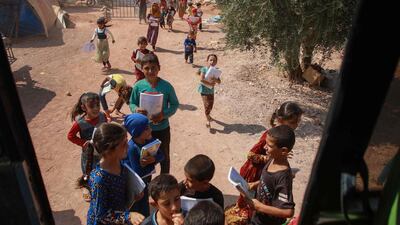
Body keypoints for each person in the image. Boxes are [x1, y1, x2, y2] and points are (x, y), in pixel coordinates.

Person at [225, 101, 303, 225]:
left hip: (266, 183)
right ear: (281, 120)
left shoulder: (283, 144)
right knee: (247, 204)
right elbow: (251, 155)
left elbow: (287, 210)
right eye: (293, 122)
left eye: (298, 122)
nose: (296, 125)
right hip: (255, 172)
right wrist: (268, 159)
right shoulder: (270, 136)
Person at [129, 54, 179, 174]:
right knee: (145, 157)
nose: (151, 71)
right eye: (147, 68)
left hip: (162, 129)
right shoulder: (138, 86)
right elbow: (132, 103)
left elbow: (174, 104)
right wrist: (136, 110)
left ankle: (165, 181)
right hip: (144, 131)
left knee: (164, 156)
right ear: (141, 69)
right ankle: (147, 181)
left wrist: (163, 114)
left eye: (154, 68)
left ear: (159, 68)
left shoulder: (166, 86)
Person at [86, 123, 145, 225]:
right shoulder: (99, 180)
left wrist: (133, 195)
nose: (128, 146)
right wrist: (128, 216)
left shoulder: (119, 162)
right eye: (124, 144)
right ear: (109, 150)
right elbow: (101, 216)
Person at [248, 125, 296, 225]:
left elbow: (288, 211)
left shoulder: (283, 177)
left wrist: (259, 207)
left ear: (283, 151)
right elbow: (268, 181)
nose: (265, 147)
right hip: (257, 218)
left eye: (269, 145)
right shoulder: (272, 159)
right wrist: (255, 184)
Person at [67, 92, 108, 202]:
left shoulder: (102, 116)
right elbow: (70, 136)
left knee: (103, 168)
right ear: (83, 107)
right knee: (88, 171)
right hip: (89, 154)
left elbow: (107, 127)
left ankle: (101, 185)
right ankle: (85, 187)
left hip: (102, 151)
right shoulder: (79, 123)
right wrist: (83, 142)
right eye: (91, 106)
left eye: (98, 105)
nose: (96, 108)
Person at [123, 113, 165, 217]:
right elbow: (137, 172)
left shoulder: (149, 140)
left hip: (145, 181)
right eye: (146, 129)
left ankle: (145, 217)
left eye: (149, 126)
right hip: (135, 184)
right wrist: (148, 165)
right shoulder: (132, 148)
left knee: (144, 203)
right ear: (136, 132)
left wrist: (153, 159)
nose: (150, 130)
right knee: (136, 205)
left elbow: (162, 155)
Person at [198, 54, 221, 128]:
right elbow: (201, 79)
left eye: (214, 60)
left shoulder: (215, 71)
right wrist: (210, 83)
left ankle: (208, 115)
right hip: (204, 91)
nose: (212, 62)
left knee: (210, 105)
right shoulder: (203, 69)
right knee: (207, 105)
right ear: (207, 61)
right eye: (211, 60)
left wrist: (215, 79)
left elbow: (219, 81)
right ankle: (207, 120)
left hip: (211, 91)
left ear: (216, 62)